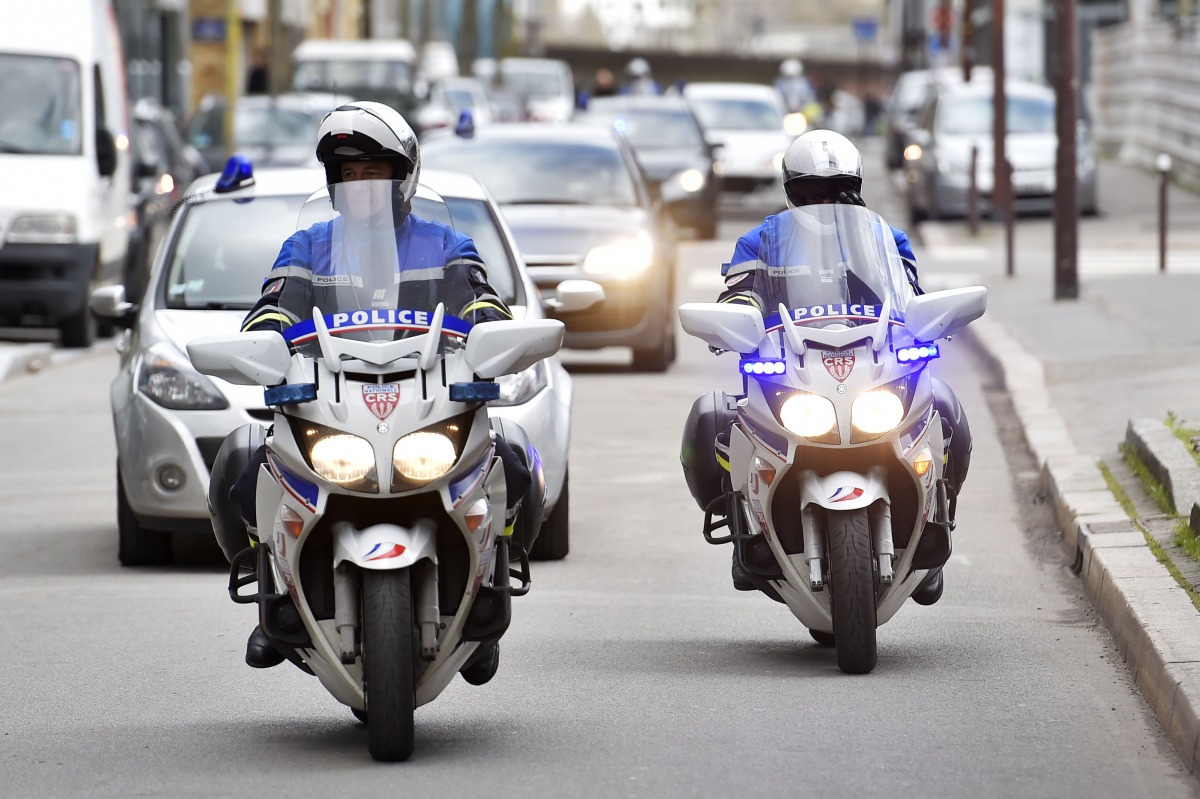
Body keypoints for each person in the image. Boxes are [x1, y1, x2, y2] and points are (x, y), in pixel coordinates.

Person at [231, 100, 532, 669]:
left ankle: (489, 585)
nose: (361, 187)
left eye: (374, 172)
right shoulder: (307, 246)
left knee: (515, 459)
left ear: (403, 176)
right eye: (348, 176)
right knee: (240, 468)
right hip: (333, 400)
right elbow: (269, 313)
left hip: (425, 398)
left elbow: (482, 301)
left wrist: (493, 335)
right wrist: (263, 347)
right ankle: (271, 593)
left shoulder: (446, 245)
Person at [714, 129, 972, 607]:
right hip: (791, 366)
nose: (824, 200)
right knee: (711, 419)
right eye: (812, 191)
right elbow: (738, 293)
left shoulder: (886, 239)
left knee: (948, 410)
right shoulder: (763, 240)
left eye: (835, 190)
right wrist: (739, 318)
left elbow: (910, 297)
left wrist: (928, 322)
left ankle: (934, 534)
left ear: (855, 186)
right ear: (793, 191)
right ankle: (741, 532)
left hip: (871, 363)